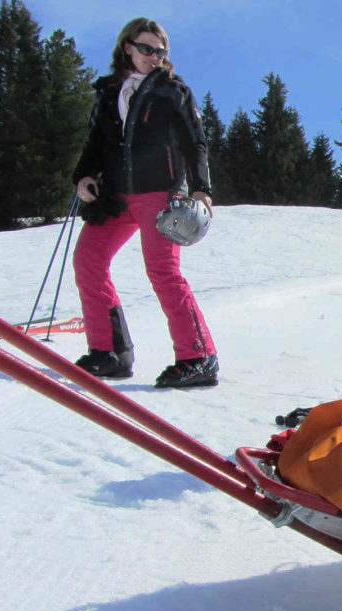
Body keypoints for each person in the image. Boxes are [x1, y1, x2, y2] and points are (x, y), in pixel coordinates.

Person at [71, 17, 218, 388]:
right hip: (116, 195)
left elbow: (195, 143)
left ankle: (198, 357)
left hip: (160, 194)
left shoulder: (173, 91)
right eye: (146, 49)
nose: (154, 56)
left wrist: (201, 189)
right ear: (127, 47)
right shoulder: (108, 93)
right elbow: (95, 144)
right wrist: (83, 177)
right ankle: (109, 352)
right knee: (88, 260)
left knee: (163, 272)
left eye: (160, 51)